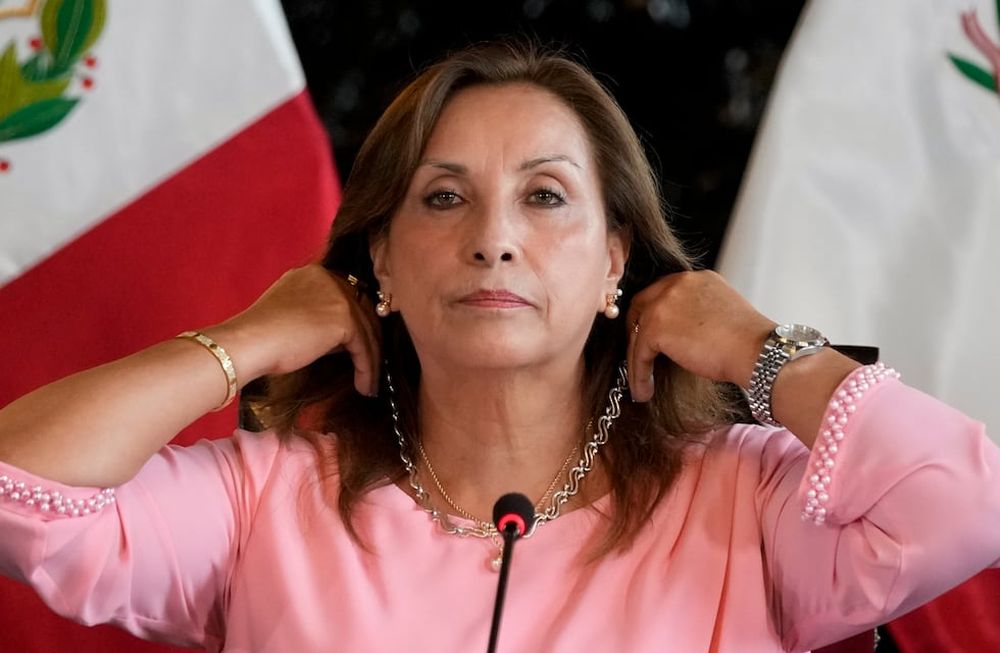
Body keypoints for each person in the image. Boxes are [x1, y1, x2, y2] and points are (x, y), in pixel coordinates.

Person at [0, 40, 997, 653]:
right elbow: (17, 485)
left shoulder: (745, 496)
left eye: (545, 195)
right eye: (444, 197)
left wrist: (751, 343)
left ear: (617, 257)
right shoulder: (265, 498)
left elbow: (967, 501)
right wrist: (251, 334)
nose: (493, 235)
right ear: (380, 258)